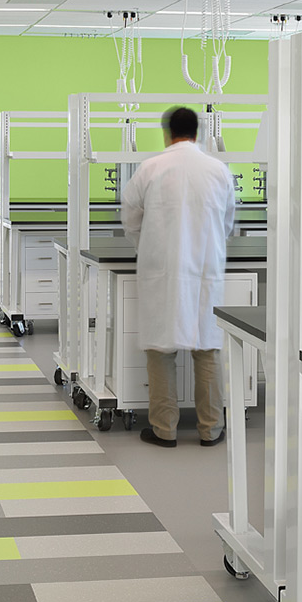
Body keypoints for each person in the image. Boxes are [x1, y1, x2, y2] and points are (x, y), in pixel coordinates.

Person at [121, 105, 236, 447]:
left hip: (162, 268)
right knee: (207, 347)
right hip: (205, 269)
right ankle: (210, 429)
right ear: (197, 132)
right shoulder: (219, 170)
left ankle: (164, 429)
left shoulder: (150, 168)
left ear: (167, 132)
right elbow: (227, 222)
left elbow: (129, 217)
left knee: (160, 348)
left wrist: (148, 245)